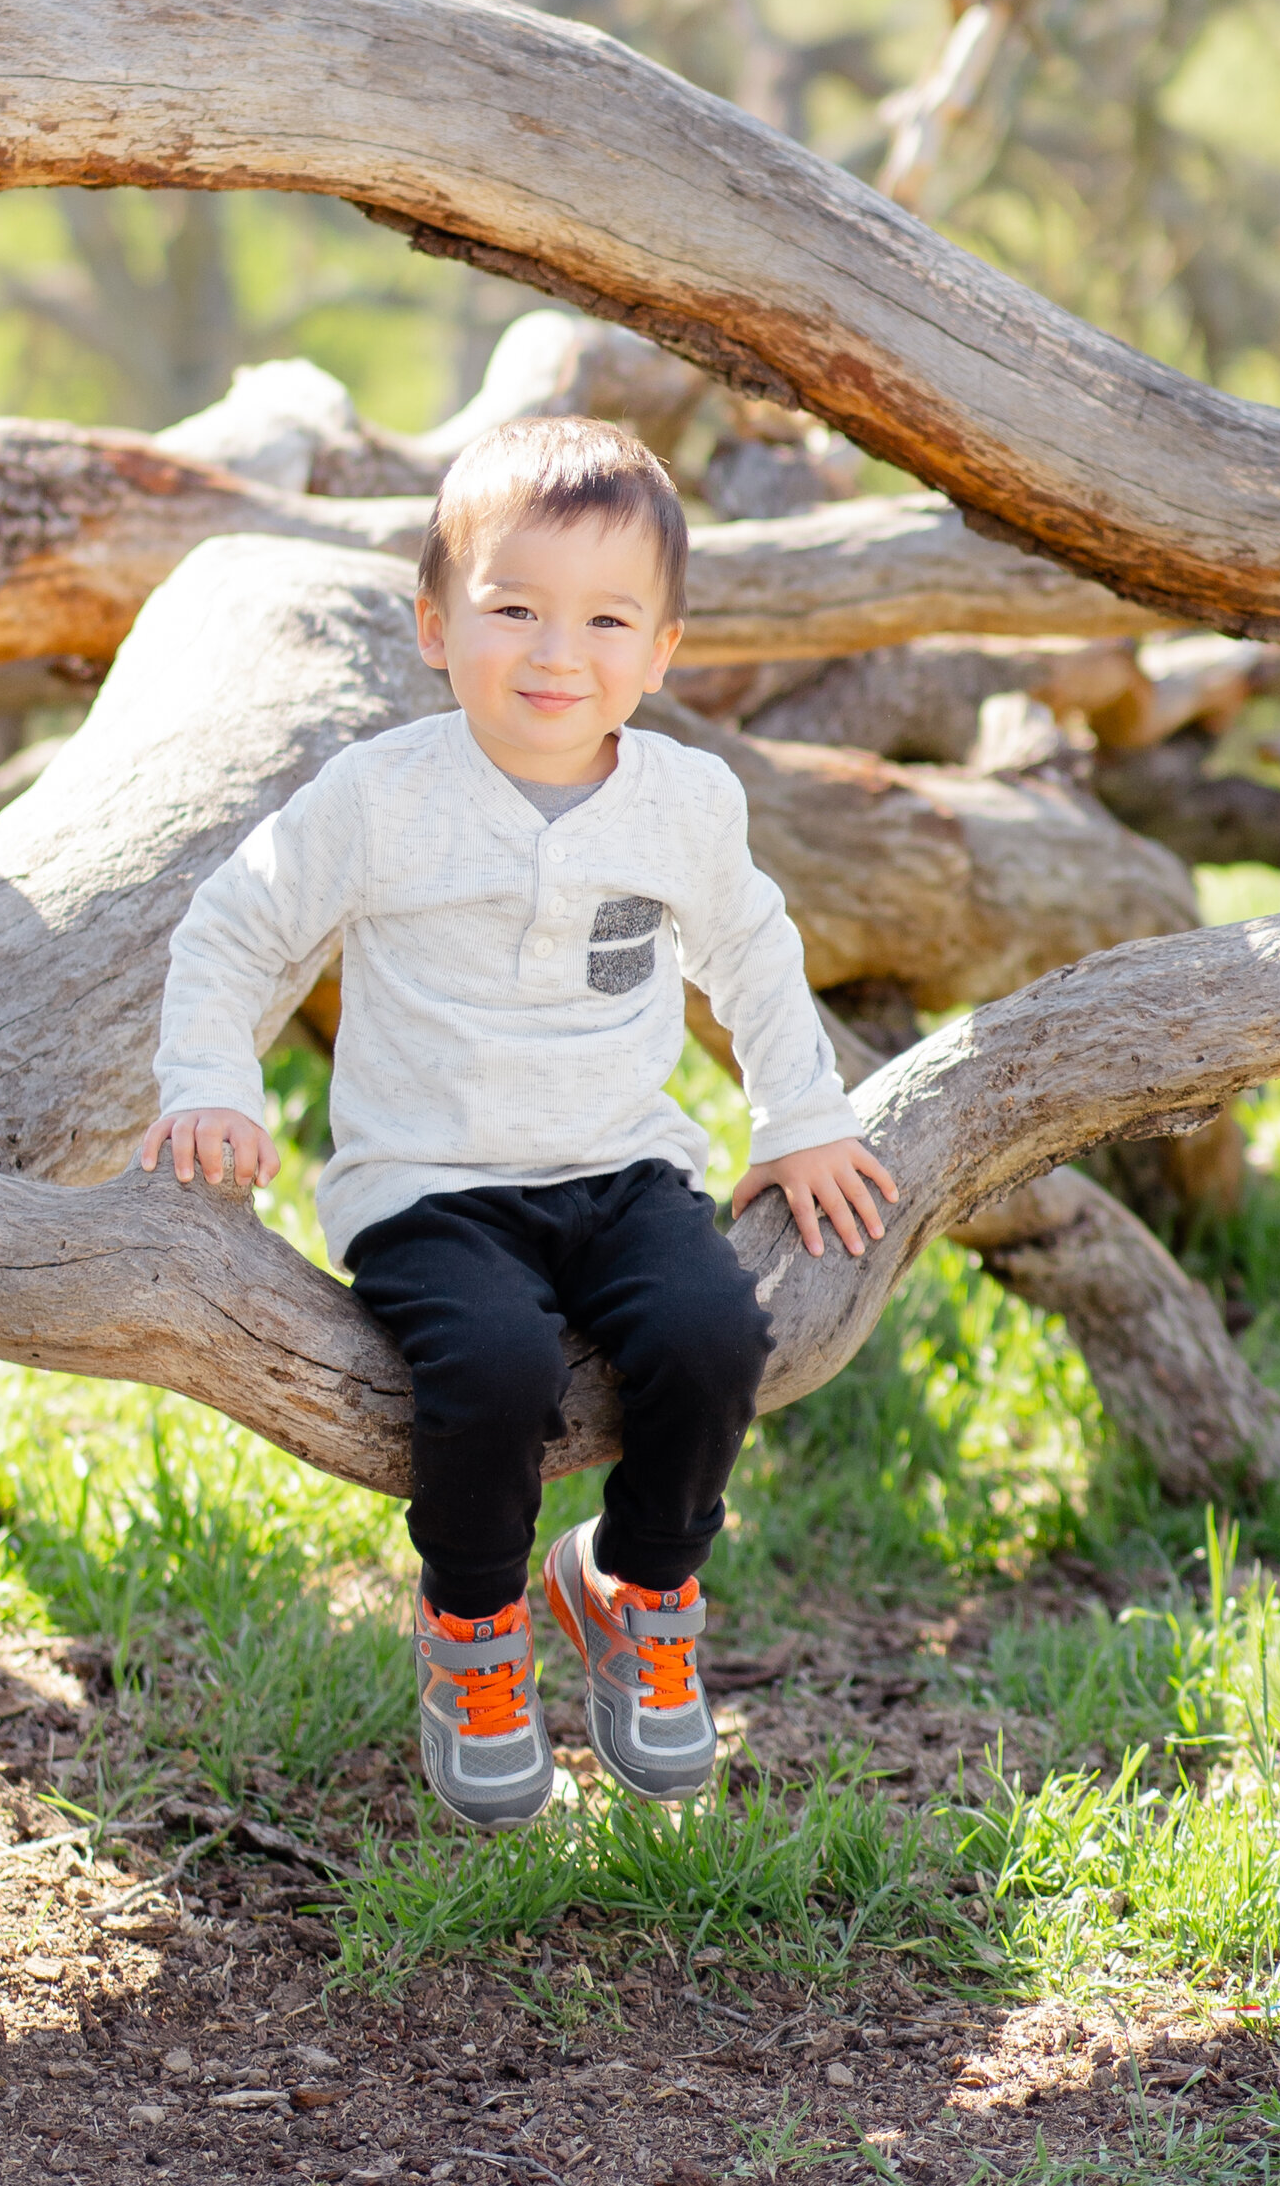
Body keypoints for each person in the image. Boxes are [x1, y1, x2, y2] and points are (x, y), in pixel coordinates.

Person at [140, 413, 900, 1831]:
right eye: (513, 609)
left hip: (620, 1164)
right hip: (429, 1184)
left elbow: (751, 953)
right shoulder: (383, 796)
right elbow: (234, 931)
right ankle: (475, 1633)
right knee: (488, 1365)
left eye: (608, 617)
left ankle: (636, 1582)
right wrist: (213, 1084)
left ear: (664, 649)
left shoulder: (685, 800)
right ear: (436, 624)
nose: (558, 652)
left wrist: (800, 1114)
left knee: (713, 1332)